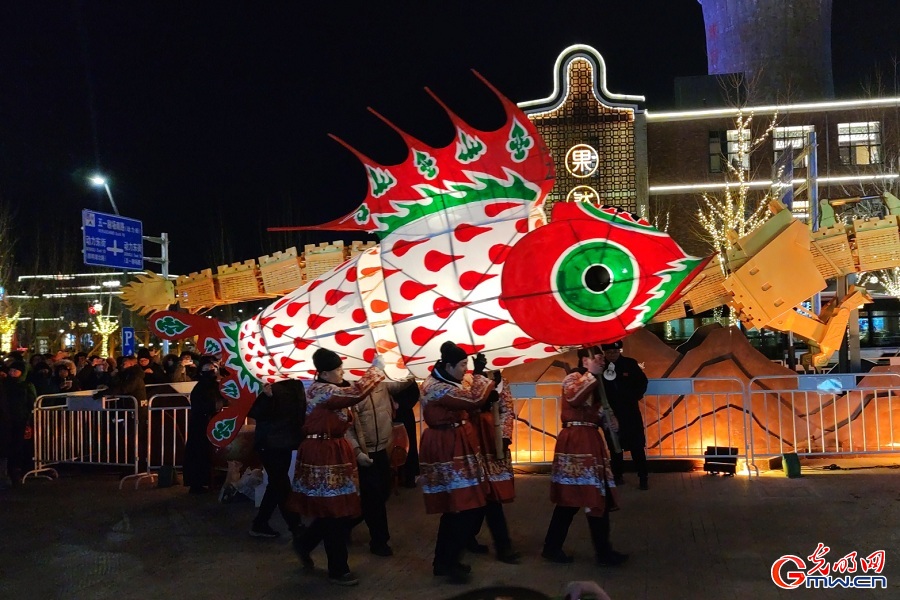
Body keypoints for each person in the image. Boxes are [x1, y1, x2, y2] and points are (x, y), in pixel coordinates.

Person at [290, 348, 385, 587]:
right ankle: (337, 568)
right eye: (337, 370)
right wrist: (375, 371)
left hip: (334, 451)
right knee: (334, 511)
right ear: (323, 373)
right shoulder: (322, 391)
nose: (341, 373)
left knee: (335, 509)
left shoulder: (331, 388)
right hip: (323, 453)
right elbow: (355, 394)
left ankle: (305, 543)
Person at [542, 346, 627, 567]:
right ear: (583, 360)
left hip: (591, 441)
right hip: (574, 442)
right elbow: (574, 398)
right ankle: (552, 548)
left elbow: (598, 411)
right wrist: (592, 375)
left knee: (598, 497)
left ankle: (603, 551)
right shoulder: (573, 378)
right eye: (595, 358)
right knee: (570, 499)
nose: (600, 361)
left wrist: (609, 420)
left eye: (601, 358)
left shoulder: (597, 383)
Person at [419, 342, 494, 584]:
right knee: (463, 506)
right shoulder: (436, 387)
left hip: (455, 441)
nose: (466, 370)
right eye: (463, 365)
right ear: (449, 365)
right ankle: (448, 561)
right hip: (447, 446)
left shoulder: (445, 381)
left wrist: (478, 377)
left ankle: (445, 561)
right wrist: (481, 376)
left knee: (457, 507)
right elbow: (473, 400)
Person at [345, 376, 414, 557]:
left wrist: (415, 366)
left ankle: (344, 525)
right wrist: (357, 452)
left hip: (382, 447)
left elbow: (399, 383)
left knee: (382, 493)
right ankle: (379, 541)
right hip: (365, 451)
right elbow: (347, 427)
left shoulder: (380, 381)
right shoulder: (350, 389)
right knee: (374, 497)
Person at [466, 369, 521, 564]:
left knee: (489, 493)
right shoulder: (469, 380)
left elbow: (507, 409)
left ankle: (468, 536)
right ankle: (502, 545)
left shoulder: (502, 381)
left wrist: (505, 436)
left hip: (495, 440)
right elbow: (469, 405)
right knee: (487, 494)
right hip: (476, 440)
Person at [247, 379, 306, 538]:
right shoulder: (271, 386)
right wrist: (267, 397)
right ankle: (296, 526)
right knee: (281, 484)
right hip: (270, 444)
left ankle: (260, 523)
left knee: (276, 484)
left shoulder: (297, 386)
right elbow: (255, 412)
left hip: (284, 443)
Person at [600, 340, 650, 490]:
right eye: (609, 352)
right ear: (605, 353)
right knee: (615, 447)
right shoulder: (601, 368)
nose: (612, 355)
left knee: (637, 446)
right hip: (611, 413)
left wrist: (633, 397)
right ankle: (617, 476)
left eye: (615, 352)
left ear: (619, 351)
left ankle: (643, 477)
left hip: (630, 413)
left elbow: (642, 383)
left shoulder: (630, 364)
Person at [183, 356, 225, 493]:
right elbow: (205, 405)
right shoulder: (201, 388)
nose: (210, 370)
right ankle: (197, 483)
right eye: (207, 368)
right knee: (199, 452)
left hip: (209, 422)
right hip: (201, 424)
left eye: (212, 368)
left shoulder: (214, 385)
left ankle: (206, 480)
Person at [1, 360, 36, 483]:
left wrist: (28, 417)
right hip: (6, 419)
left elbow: (31, 402)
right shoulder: (5, 384)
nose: (12, 373)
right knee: (7, 445)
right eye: (11, 370)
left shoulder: (26, 386)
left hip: (20, 419)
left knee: (17, 445)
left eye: (15, 371)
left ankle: (16, 471)